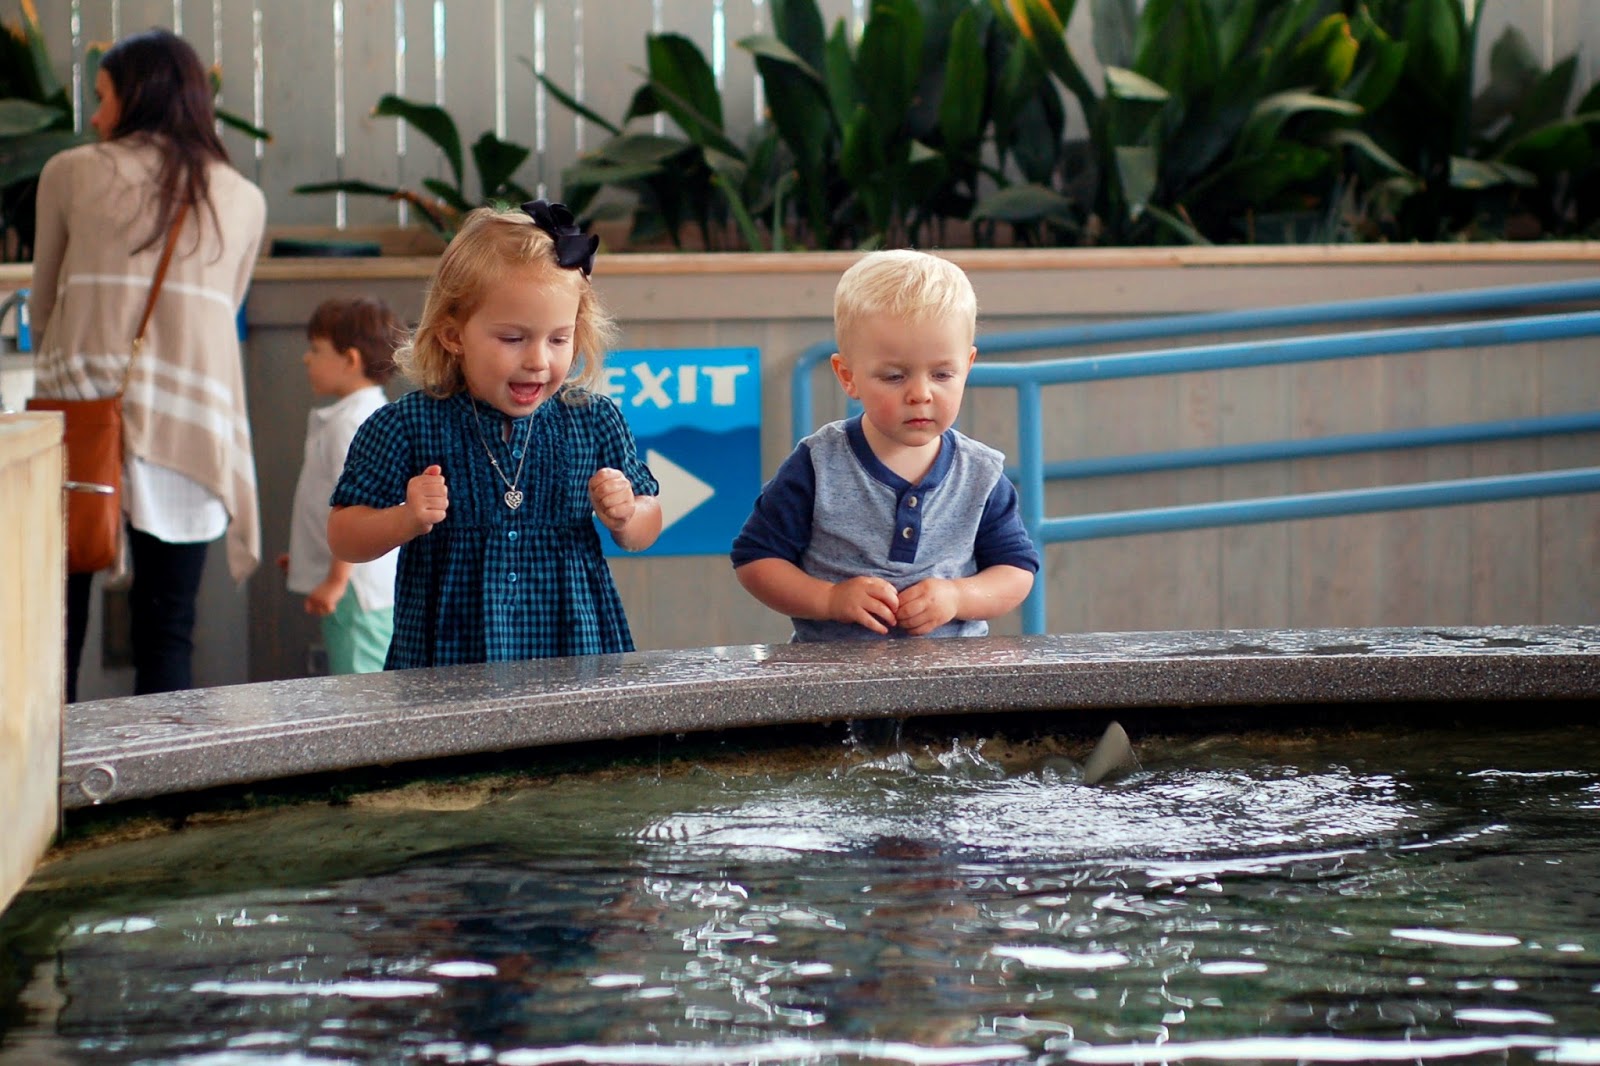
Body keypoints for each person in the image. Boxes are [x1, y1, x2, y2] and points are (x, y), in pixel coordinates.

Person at [28, 28, 267, 700]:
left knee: (55, 628)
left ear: (138, 96)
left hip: (81, 421)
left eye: (103, 97)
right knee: (169, 630)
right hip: (190, 425)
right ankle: (163, 767)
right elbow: (225, 310)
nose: (96, 117)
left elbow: (43, 306)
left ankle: (52, 767)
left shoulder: (70, 172)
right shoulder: (243, 199)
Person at [327, 201, 661, 669]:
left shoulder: (594, 419)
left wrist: (626, 515)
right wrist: (406, 519)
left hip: (575, 657)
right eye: (512, 339)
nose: (538, 360)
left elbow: (647, 523)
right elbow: (343, 535)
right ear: (453, 335)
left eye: (559, 339)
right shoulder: (406, 425)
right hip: (448, 665)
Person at [731, 248, 1040, 641]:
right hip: (835, 672)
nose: (921, 394)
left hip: (954, 675)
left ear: (968, 366)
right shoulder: (818, 464)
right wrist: (829, 599)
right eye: (894, 376)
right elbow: (756, 560)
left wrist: (958, 596)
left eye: (942, 374)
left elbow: (1016, 572)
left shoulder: (980, 473)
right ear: (848, 376)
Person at [278, 298, 401, 674]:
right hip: (358, 586)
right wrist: (307, 557)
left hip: (354, 590)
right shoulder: (364, 415)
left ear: (350, 360)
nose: (306, 359)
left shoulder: (351, 425)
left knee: (360, 687)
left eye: (316, 350)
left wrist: (335, 580)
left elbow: (358, 508)